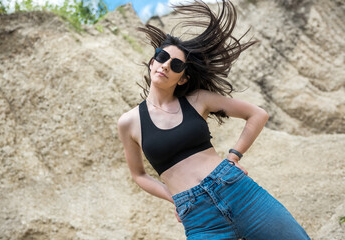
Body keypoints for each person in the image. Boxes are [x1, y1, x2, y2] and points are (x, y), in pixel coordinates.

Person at [117, 1, 311, 239]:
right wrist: (173, 198)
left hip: (238, 192)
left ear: (182, 79)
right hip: (198, 216)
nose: (166, 65)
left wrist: (233, 157)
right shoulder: (129, 122)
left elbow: (258, 114)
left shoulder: (197, 99)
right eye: (162, 57)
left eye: (176, 64)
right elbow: (139, 175)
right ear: (152, 62)